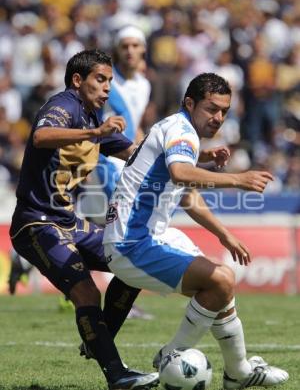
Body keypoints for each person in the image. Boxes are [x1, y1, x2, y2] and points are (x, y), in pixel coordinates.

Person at [102, 73, 289, 389]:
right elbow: (180, 173)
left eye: (224, 111)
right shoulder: (182, 133)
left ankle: (238, 372)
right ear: (190, 103)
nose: (218, 118)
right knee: (221, 280)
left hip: (147, 235)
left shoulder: (175, 129)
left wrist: (222, 233)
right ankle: (172, 355)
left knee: (221, 288)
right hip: (132, 242)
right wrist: (237, 179)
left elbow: (186, 194)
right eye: (211, 109)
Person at [9, 49, 159, 390]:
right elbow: (41, 137)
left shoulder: (93, 119)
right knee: (86, 292)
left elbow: (136, 153)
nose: (107, 87)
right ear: (78, 80)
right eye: (100, 79)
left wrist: (191, 154)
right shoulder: (64, 106)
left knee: (132, 261)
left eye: (109, 80)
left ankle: (97, 338)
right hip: (36, 223)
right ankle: (116, 374)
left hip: (68, 221)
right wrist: (95, 135)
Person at [80, 25, 152, 321]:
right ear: (117, 50)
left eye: (136, 45)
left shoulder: (144, 85)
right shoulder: (106, 83)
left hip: (129, 162)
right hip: (106, 163)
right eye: (125, 46)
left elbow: (135, 125)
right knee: (120, 227)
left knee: (96, 226)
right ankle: (122, 299)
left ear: (143, 50)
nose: (131, 51)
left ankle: (26, 261)